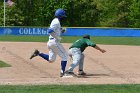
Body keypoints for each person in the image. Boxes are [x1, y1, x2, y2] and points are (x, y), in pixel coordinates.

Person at [30, 8, 68, 77]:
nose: (63, 17)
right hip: (54, 42)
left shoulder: (56, 21)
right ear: (60, 16)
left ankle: (38, 53)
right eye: (63, 16)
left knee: (51, 60)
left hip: (50, 43)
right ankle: (62, 73)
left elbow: (55, 30)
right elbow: (50, 31)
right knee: (65, 56)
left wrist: (62, 30)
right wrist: (57, 37)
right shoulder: (56, 21)